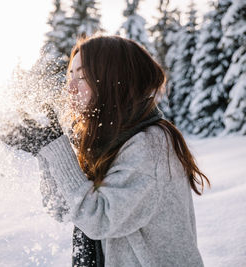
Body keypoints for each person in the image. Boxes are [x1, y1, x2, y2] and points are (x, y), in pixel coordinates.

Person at [34, 35, 210, 267]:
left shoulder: (150, 145)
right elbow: (62, 208)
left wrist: (54, 147)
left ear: (115, 81)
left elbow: (98, 218)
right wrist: (43, 148)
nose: (71, 87)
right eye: (70, 75)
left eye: (83, 76)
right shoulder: (104, 141)